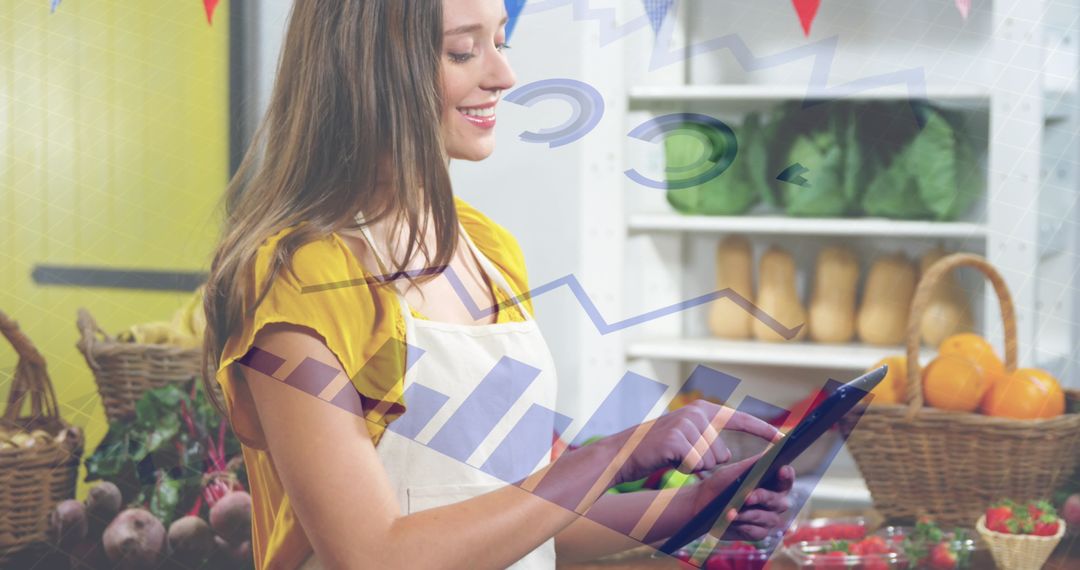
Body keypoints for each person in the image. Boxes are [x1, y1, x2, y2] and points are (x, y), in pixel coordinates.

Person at [201, 1, 795, 568]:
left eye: (500, 41)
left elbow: (524, 519)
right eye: (463, 51)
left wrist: (695, 504)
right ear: (369, 67)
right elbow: (373, 556)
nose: (503, 75)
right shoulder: (297, 281)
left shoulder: (487, 251)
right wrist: (612, 456)